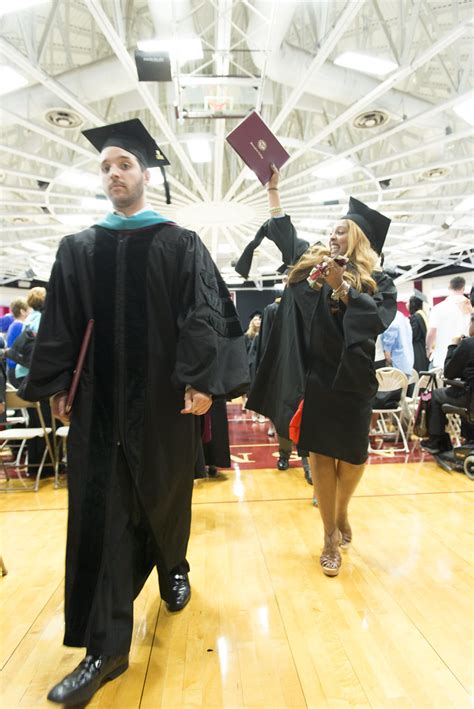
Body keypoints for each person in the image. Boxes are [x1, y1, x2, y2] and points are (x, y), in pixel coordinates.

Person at [18, 118, 249, 707]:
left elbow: (205, 311)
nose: (114, 173)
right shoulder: (78, 249)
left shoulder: (179, 242)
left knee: (167, 495)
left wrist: (202, 383)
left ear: (145, 174)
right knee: (102, 514)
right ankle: (106, 647)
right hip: (97, 404)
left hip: (166, 400)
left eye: (124, 164)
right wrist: (56, 385)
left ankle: (175, 564)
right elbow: (63, 322)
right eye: (106, 166)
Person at [243, 166, 397, 577]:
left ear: (359, 239)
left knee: (353, 459)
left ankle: (342, 511)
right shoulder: (314, 265)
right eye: (331, 230)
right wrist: (273, 191)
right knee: (320, 459)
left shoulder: (379, 280)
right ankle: (329, 535)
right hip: (316, 381)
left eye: (341, 231)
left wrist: (342, 286)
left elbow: (375, 320)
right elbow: (285, 235)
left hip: (355, 381)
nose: (333, 236)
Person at [421, 314, 474, 454]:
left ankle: (436, 441)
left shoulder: (469, 344)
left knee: (434, 395)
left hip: (470, 397)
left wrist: (453, 346)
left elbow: (449, 373)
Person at [426, 276, 472, 369]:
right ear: (463, 288)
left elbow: (431, 333)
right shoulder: (470, 308)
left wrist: (428, 349)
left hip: (442, 359)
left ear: (449, 288)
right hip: (466, 359)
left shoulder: (438, 308)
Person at [381, 310, 414, 377]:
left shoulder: (390, 316)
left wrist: (387, 354)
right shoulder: (401, 315)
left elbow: (390, 334)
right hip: (407, 362)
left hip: (397, 365)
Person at [5, 298, 28, 386]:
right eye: (29, 309)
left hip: (12, 367)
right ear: (22, 311)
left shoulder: (13, 325)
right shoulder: (20, 326)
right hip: (15, 368)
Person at [408, 291, 429, 373]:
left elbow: (412, 335)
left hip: (417, 350)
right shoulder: (422, 314)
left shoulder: (415, 317)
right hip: (423, 347)